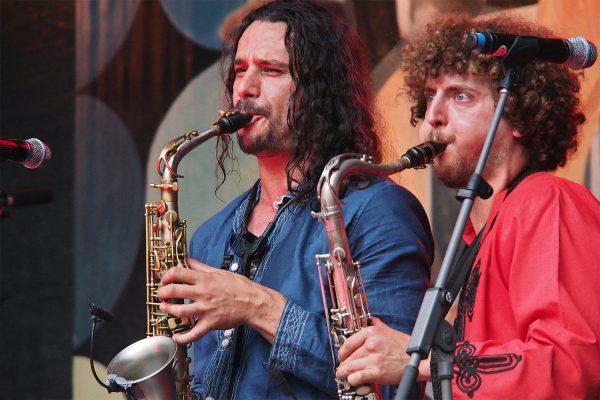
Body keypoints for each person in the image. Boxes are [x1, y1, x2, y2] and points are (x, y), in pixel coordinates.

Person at [156, 1, 434, 399]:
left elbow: (393, 386)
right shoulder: (209, 237)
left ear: (320, 90)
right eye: (239, 70)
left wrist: (258, 306)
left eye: (270, 71)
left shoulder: (377, 212)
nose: (245, 88)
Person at [335, 13, 600, 399]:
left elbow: (572, 364)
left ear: (520, 115)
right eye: (429, 97)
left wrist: (419, 367)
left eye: (460, 95)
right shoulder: (481, 232)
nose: (432, 118)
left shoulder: (548, 202)